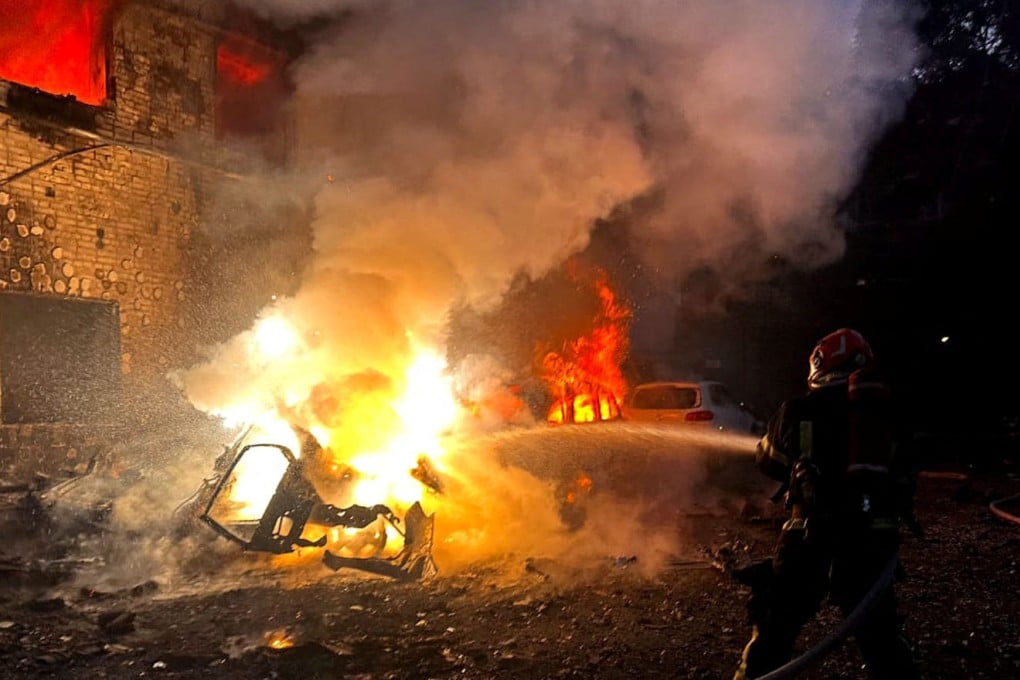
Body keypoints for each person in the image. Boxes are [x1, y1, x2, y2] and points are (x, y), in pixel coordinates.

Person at [732, 328, 920, 680]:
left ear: (819, 366)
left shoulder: (797, 411)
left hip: (808, 538)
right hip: (869, 540)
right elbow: (906, 469)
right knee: (880, 637)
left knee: (775, 629)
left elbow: (768, 461)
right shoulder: (885, 413)